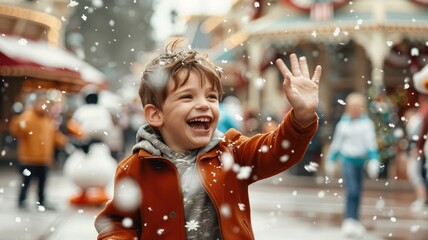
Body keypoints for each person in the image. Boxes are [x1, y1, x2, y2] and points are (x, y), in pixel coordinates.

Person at [94, 40, 322, 239]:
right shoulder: (135, 168)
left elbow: (279, 150)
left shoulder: (232, 152)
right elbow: (116, 223)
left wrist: (301, 118)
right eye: (187, 96)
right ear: (156, 114)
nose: (204, 104)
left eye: (212, 96)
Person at [324, 92, 381, 238]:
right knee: (352, 190)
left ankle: (355, 220)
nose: (355, 109)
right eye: (352, 106)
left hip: (360, 162)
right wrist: (331, 159)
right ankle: (349, 219)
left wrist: (374, 159)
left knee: (358, 192)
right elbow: (336, 144)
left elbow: (370, 143)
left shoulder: (366, 124)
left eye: (358, 106)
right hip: (347, 161)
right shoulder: (343, 124)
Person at [9, 95, 68, 210]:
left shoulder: (47, 120)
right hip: (28, 158)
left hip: (44, 159)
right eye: (42, 103)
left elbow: (55, 136)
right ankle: (22, 200)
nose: (44, 107)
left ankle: (41, 201)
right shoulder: (27, 116)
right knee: (26, 181)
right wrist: (16, 117)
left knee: (42, 183)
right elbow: (18, 130)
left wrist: (67, 142)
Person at [403, 107, 427, 212]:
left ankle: (422, 199)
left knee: (417, 175)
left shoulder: (418, 120)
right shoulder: (420, 119)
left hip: (417, 152)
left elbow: (420, 137)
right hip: (418, 151)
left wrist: (418, 148)